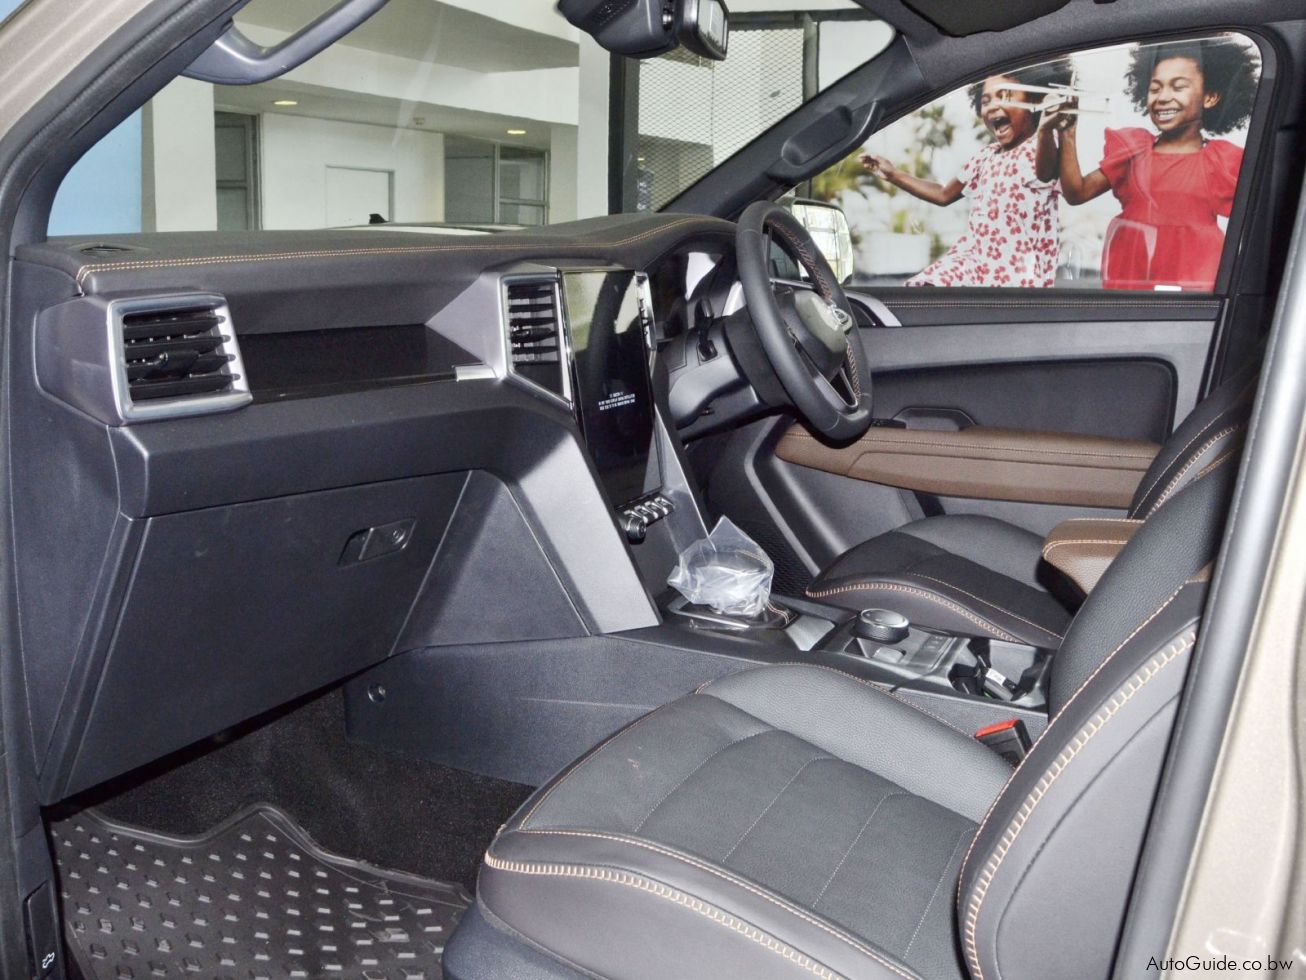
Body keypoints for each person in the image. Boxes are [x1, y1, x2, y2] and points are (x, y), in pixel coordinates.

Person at [1042, 38, 1259, 291]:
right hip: (1133, 276)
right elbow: (1077, 193)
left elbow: (1259, 223)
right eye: (1155, 88)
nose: (1163, 97)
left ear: (1210, 97)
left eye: (1178, 87)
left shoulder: (1223, 161)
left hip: (1194, 283)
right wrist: (1067, 132)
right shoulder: (1133, 150)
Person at [861, 61, 1072, 288]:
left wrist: (1046, 129)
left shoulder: (1043, 145)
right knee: (921, 290)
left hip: (1019, 278)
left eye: (1005, 96)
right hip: (974, 265)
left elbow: (1045, 172)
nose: (992, 107)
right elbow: (943, 194)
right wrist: (894, 174)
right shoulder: (985, 156)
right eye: (985, 101)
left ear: (1035, 100)